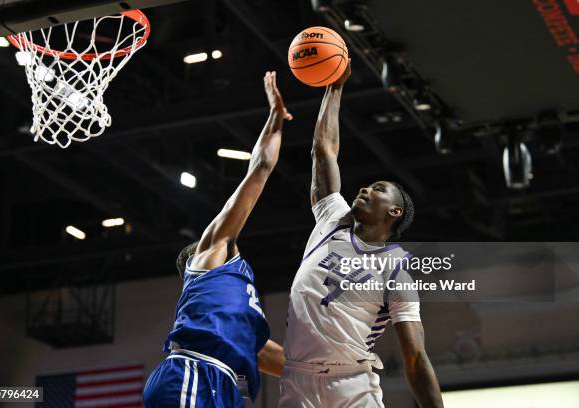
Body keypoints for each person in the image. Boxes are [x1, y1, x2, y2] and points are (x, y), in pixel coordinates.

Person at [279, 63, 444, 408]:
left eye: (378, 189)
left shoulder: (396, 268)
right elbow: (323, 150)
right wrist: (334, 88)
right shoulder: (332, 219)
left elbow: (415, 358)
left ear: (394, 212)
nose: (366, 188)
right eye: (368, 185)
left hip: (350, 385)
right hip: (296, 380)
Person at [143, 71, 290, 408]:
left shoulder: (236, 307)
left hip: (223, 384)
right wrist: (274, 121)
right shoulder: (210, 256)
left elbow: (269, 356)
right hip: (193, 370)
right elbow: (260, 168)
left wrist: (335, 369)